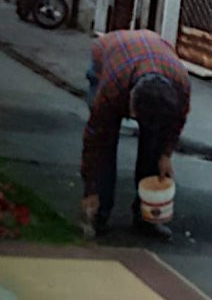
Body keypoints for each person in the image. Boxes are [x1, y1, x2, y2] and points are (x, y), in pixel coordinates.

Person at [81, 29, 191, 241]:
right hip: (109, 54)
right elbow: (93, 138)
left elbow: (178, 121)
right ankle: (98, 212)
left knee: (154, 147)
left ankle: (146, 218)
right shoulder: (112, 86)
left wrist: (165, 154)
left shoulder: (181, 85)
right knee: (105, 141)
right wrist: (90, 189)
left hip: (151, 56)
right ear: (131, 104)